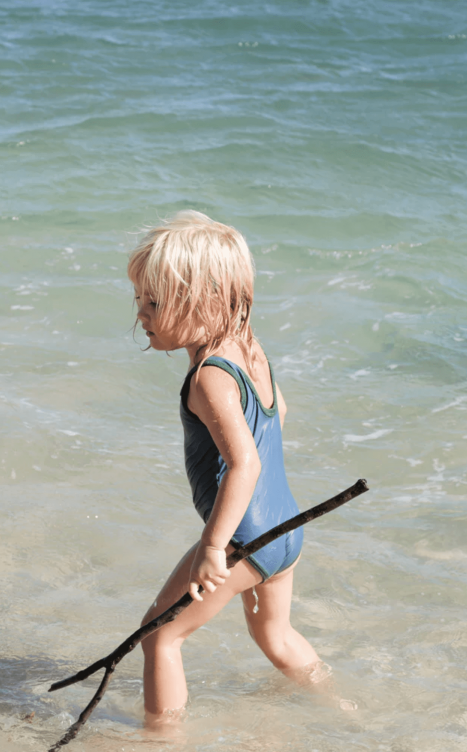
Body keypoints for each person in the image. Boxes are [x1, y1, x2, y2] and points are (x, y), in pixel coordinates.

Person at [127, 211, 339, 724]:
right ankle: (341, 710)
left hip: (246, 539)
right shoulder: (247, 346)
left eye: (154, 303)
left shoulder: (208, 378)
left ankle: (161, 739)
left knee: (159, 636)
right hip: (285, 527)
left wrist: (213, 547)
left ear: (204, 301)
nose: (142, 316)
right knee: (276, 635)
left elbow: (243, 464)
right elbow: (278, 413)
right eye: (139, 301)